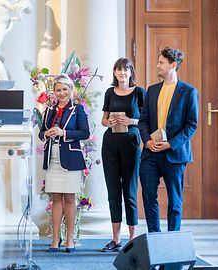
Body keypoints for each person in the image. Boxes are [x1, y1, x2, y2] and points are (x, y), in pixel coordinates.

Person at [139, 47, 199, 233]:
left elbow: (191, 125)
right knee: (149, 197)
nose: (157, 65)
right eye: (158, 62)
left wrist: (171, 143)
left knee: (175, 200)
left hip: (174, 153)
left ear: (173, 65)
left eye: (161, 62)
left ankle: (173, 241)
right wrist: (147, 141)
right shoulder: (152, 90)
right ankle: (155, 239)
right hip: (150, 153)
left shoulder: (189, 92)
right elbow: (143, 121)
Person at [38, 73, 90, 253]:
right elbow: (41, 132)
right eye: (58, 90)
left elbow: (84, 133)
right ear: (54, 92)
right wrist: (46, 134)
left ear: (71, 90)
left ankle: (69, 239)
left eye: (64, 89)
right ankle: (54, 239)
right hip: (52, 159)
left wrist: (63, 133)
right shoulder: (49, 111)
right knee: (55, 199)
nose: (61, 93)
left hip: (71, 159)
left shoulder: (78, 110)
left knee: (69, 198)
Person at [101, 58, 146, 252]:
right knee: (113, 191)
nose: (122, 73)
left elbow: (145, 120)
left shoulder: (139, 92)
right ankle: (116, 238)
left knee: (129, 190)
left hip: (131, 143)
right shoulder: (110, 92)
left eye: (125, 70)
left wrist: (130, 120)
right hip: (110, 143)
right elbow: (103, 119)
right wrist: (108, 122)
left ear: (130, 72)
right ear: (114, 72)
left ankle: (132, 238)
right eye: (118, 70)